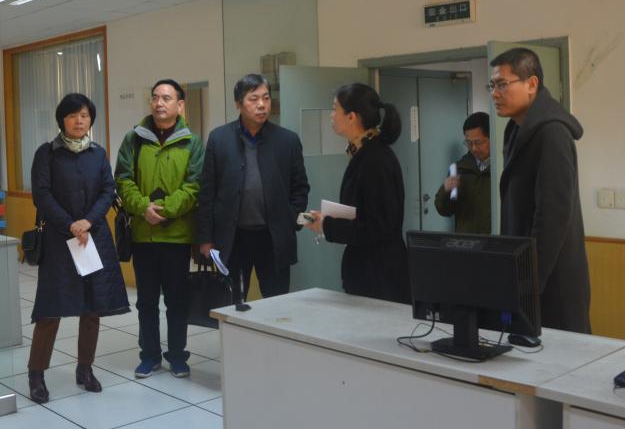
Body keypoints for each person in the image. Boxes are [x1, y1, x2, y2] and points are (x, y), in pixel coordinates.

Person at [26, 93, 130, 402]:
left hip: (92, 237)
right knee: (50, 310)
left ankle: (85, 368)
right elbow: (41, 195)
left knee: (92, 307)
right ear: (62, 120)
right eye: (73, 115)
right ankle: (36, 374)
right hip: (60, 240)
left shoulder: (98, 153)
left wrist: (87, 221)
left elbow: (108, 191)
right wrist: (71, 224)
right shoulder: (47, 154)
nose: (79, 120)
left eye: (84, 115)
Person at [490, 48, 591, 333]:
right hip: (525, 270)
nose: (494, 94)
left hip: (550, 278)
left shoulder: (552, 133)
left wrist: (528, 283)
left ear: (531, 84)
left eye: (502, 84)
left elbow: (552, 216)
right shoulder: (515, 130)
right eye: (492, 85)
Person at [114, 79, 204, 379]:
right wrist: (143, 207)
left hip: (177, 236)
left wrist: (164, 210)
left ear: (180, 104)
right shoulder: (134, 139)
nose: (159, 103)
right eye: (155, 97)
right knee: (147, 301)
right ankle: (149, 355)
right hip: (143, 234)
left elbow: (195, 186)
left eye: (166, 98)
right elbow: (122, 180)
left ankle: (177, 355)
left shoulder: (192, 142)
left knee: (177, 301)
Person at [197, 74, 310, 301]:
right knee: (233, 302)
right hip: (233, 238)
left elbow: (300, 188)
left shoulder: (287, 140)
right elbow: (207, 193)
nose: (261, 104)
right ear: (238, 103)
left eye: (266, 98)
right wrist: (205, 238)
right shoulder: (219, 139)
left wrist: (289, 221)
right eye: (254, 99)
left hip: (273, 237)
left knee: (277, 302)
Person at [306, 84, 411, 304]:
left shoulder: (375, 160)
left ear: (351, 117)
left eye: (335, 109)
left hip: (379, 275)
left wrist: (327, 225)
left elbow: (376, 228)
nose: (331, 115)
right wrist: (328, 221)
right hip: (370, 270)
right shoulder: (365, 153)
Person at [434, 111, 492, 234]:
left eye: (478, 142)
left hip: (494, 241)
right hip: (466, 241)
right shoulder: (460, 169)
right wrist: (445, 190)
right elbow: (445, 211)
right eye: (469, 143)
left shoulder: (503, 168)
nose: (474, 148)